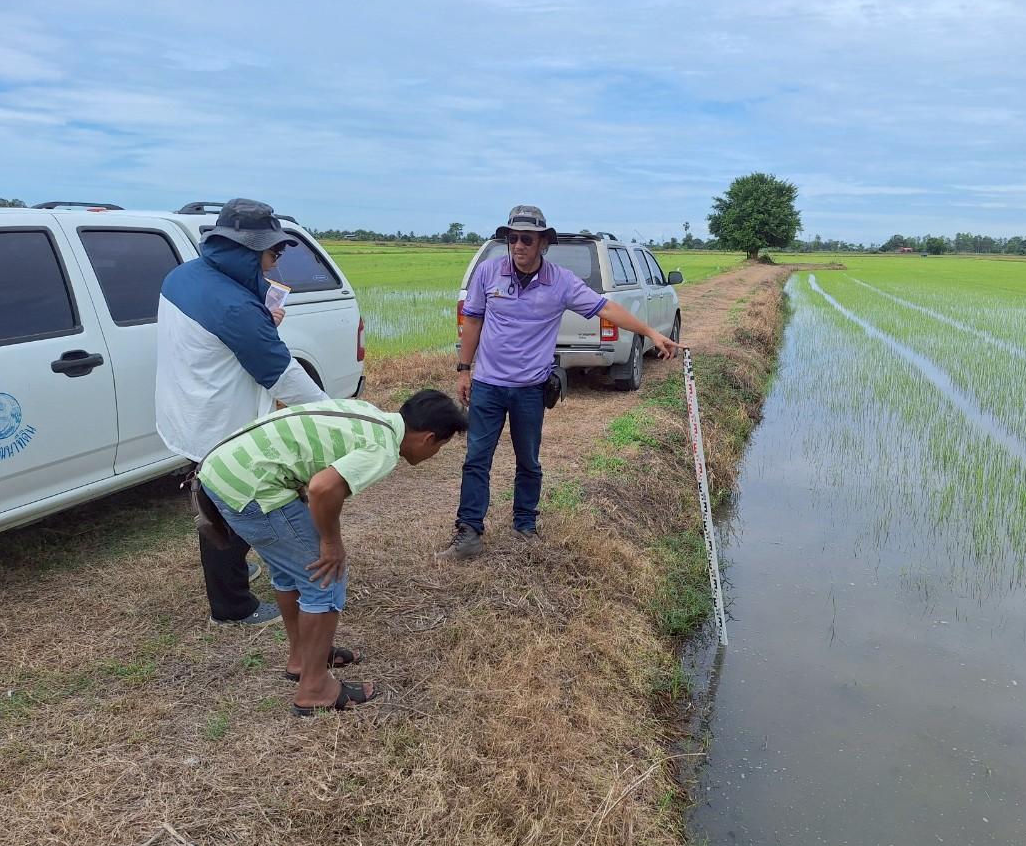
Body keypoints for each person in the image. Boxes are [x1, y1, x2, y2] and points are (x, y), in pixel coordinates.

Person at [198, 391, 468, 715]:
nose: (434, 453)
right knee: (325, 577)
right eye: (439, 447)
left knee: (291, 571)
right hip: (251, 487)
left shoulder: (371, 415)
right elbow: (322, 488)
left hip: (224, 471)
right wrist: (331, 542)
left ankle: (302, 659)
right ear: (428, 438)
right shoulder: (381, 449)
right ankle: (314, 688)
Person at [436, 205, 678, 560]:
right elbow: (472, 321)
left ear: (543, 243)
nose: (518, 246)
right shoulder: (488, 273)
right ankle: (469, 532)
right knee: (476, 459)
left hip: (531, 389)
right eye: (513, 238)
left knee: (528, 461)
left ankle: (525, 526)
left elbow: (606, 309)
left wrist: (651, 333)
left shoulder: (560, 281)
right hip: (487, 385)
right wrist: (463, 369)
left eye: (527, 239)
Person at [156, 198, 329, 625]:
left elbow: (219, 341)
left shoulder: (185, 276)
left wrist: (260, 322)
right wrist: (339, 414)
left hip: (189, 411)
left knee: (213, 501)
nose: (274, 264)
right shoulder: (235, 306)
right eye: (272, 253)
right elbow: (283, 375)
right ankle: (232, 606)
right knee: (232, 507)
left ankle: (233, 569)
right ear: (247, 250)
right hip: (220, 425)